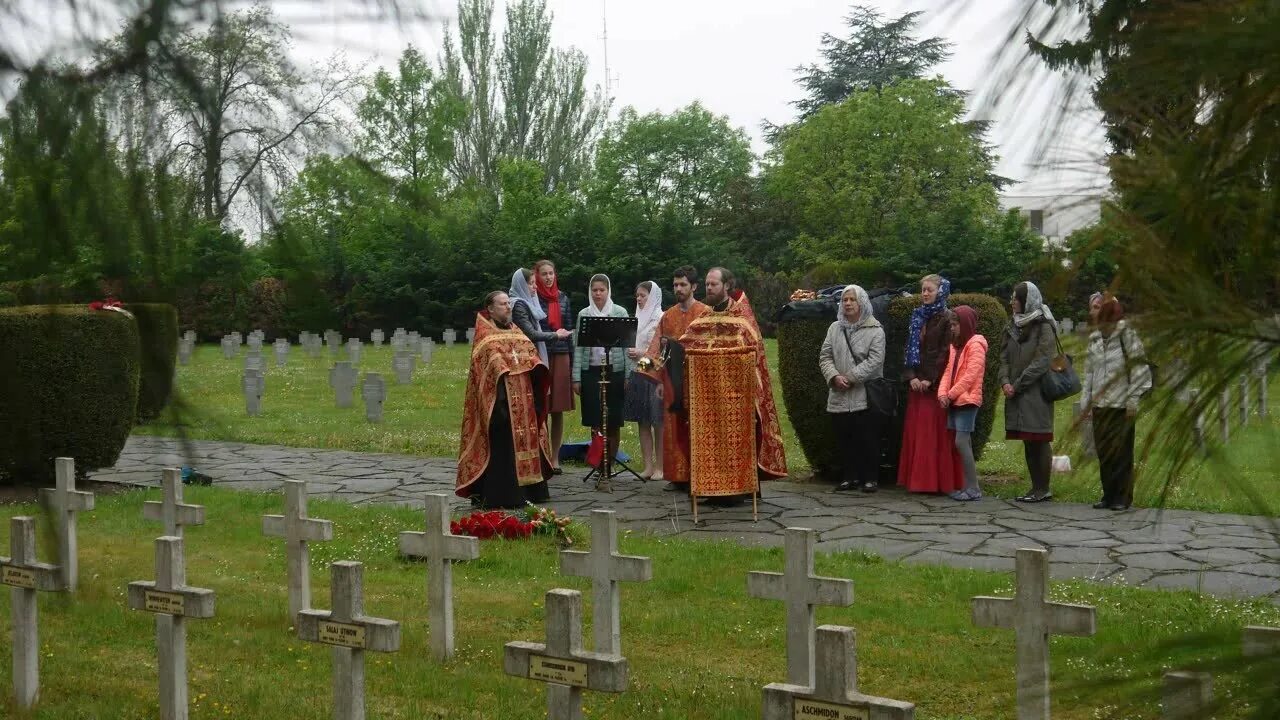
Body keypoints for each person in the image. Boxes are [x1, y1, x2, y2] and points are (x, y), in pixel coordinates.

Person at [671, 266, 788, 500]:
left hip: (737, 396)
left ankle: (741, 489)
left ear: (727, 286)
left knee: (739, 440)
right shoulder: (704, 318)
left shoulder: (742, 318)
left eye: (714, 284)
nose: (709, 288)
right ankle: (713, 489)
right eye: (707, 284)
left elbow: (753, 355)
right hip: (708, 396)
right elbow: (686, 347)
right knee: (710, 441)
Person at [455, 291, 553, 509]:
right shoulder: (485, 336)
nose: (508, 307)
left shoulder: (515, 331)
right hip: (500, 401)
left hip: (524, 397)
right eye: (502, 304)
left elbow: (530, 355)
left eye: (508, 303)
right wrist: (499, 399)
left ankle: (531, 489)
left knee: (526, 441)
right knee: (503, 446)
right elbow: (486, 369)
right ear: (490, 308)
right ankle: (503, 494)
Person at [637, 266, 709, 489]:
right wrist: (642, 373)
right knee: (673, 428)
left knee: (697, 428)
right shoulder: (668, 316)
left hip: (699, 379)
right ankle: (677, 476)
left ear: (694, 287)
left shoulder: (706, 313)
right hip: (671, 380)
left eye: (683, 285)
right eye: (675, 285)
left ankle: (698, 475)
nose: (678, 288)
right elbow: (655, 349)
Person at [1080, 294, 1151, 511]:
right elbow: (1090, 372)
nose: (1093, 312)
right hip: (1101, 404)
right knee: (1104, 452)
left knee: (1121, 453)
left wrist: (1132, 399)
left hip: (1122, 405)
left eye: (1098, 309)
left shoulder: (1127, 336)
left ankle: (1122, 497)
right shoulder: (1094, 339)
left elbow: (1139, 368)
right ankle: (1108, 495)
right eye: (1093, 308)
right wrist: (1087, 403)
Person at [897, 274, 963, 494]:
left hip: (935, 387)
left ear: (940, 292)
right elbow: (909, 349)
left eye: (929, 290)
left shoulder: (946, 318)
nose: (925, 294)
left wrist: (929, 379)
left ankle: (934, 482)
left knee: (932, 435)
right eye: (923, 290)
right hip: (917, 384)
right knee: (917, 434)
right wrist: (912, 377)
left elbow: (945, 353)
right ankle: (916, 481)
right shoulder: (917, 316)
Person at [818, 284, 886, 492]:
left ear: (861, 303)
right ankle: (850, 476)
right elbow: (825, 356)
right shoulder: (834, 328)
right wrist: (834, 376)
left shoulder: (875, 330)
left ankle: (870, 478)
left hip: (864, 394)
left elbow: (875, 360)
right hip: (839, 393)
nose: (847, 303)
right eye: (844, 300)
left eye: (852, 300)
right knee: (844, 437)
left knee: (867, 438)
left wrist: (850, 377)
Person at [1000, 281, 1059, 503]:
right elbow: (1003, 357)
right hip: (1015, 391)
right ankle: (1034, 488)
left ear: (1027, 300)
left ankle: (1043, 488)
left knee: (1039, 439)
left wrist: (1018, 384)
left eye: (1016, 298)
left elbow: (1042, 361)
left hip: (1036, 393)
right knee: (1027, 439)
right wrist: (1005, 381)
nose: (1012, 302)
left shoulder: (1044, 326)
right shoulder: (1012, 326)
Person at [572, 274, 630, 465]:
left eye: (601, 290)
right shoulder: (584, 314)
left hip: (615, 370)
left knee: (613, 418)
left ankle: (610, 463)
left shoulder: (619, 312)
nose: (598, 294)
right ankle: (598, 462)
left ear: (608, 291)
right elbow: (579, 347)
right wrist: (576, 377)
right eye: (594, 290)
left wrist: (628, 375)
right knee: (594, 417)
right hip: (591, 371)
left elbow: (626, 346)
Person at [938, 306, 988, 501]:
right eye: (951, 324)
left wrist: (950, 394)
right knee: (961, 442)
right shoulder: (955, 346)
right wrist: (942, 394)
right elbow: (948, 371)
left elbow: (970, 376)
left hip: (967, 400)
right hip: (954, 400)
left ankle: (974, 488)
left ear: (965, 324)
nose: (952, 328)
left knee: (961, 441)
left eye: (955, 324)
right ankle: (967, 486)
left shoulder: (975, 345)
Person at [532, 259, 573, 474]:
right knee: (542, 408)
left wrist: (573, 365)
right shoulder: (532, 298)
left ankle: (555, 457)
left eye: (551, 273)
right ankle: (542, 455)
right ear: (537, 276)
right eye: (544, 274)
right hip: (542, 355)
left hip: (561, 355)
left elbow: (569, 330)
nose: (548, 277)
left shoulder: (563, 298)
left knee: (557, 410)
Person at [624, 280, 664, 479]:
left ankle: (660, 467)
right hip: (639, 370)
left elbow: (661, 352)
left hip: (655, 373)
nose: (639, 299)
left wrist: (642, 353)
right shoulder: (637, 318)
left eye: (643, 296)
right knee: (642, 420)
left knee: (658, 421)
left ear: (653, 296)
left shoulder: (660, 318)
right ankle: (648, 466)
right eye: (637, 296)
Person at [509, 268, 572, 366]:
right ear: (521, 285)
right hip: (524, 356)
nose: (535, 287)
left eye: (535, 283)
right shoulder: (518, 305)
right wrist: (556, 335)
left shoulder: (527, 302)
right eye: (531, 283)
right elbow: (531, 334)